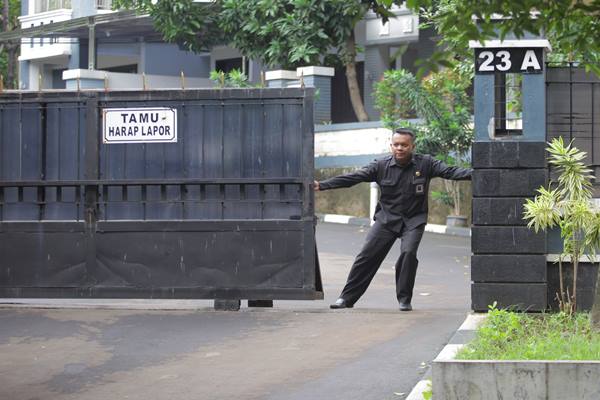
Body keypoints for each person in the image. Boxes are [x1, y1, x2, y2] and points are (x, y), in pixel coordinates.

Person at [314, 128, 472, 311]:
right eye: (396, 144)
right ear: (391, 146)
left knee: (408, 254)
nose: (400, 148)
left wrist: (478, 172)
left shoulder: (426, 164)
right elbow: (353, 177)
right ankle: (346, 298)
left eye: (404, 145)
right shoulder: (380, 165)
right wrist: (323, 185)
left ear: (412, 146)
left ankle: (404, 299)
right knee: (366, 257)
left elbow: (450, 171)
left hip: (414, 220)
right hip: (387, 220)